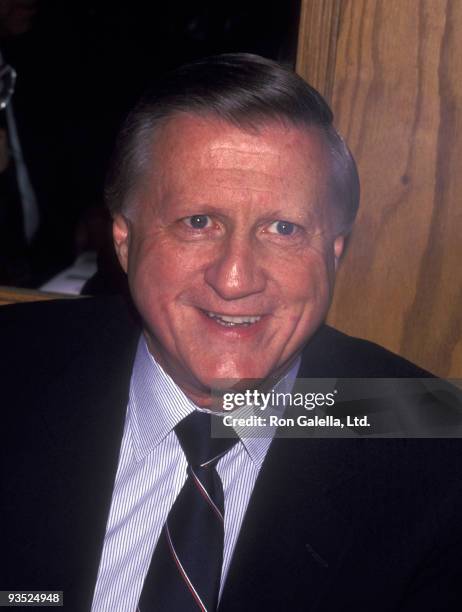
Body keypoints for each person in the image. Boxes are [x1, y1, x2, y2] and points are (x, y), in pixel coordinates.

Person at [1, 54, 462, 612]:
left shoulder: (434, 448)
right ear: (124, 241)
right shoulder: (14, 367)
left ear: (334, 251)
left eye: (284, 228)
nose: (235, 279)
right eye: (199, 222)